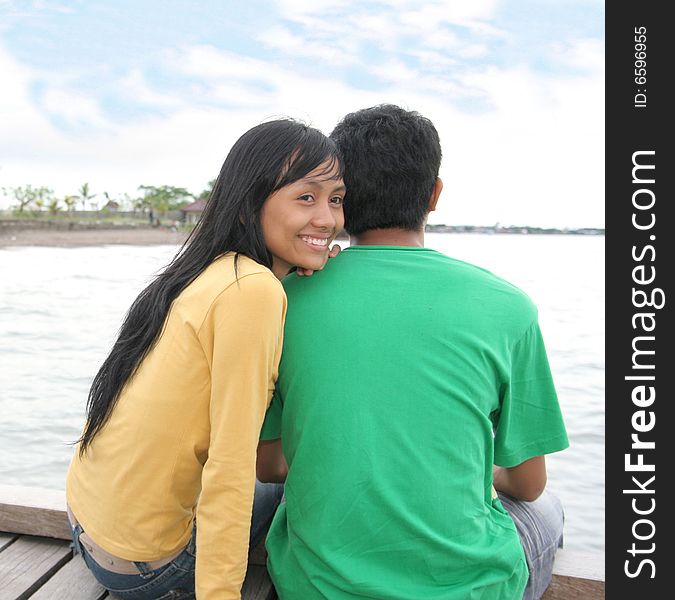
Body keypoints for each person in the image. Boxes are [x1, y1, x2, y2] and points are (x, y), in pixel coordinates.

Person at [257, 104, 569, 600]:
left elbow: (268, 464)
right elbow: (528, 484)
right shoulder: (509, 306)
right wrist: (456, 465)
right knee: (548, 509)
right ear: (435, 194)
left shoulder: (280, 298)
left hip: (317, 586)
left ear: (344, 198)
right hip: (470, 588)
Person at [66, 119, 346, 600]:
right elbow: (231, 466)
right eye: (306, 197)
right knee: (299, 479)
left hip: (87, 522)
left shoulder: (209, 271)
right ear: (250, 200)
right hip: (145, 566)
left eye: (336, 199)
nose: (328, 219)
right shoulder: (252, 291)